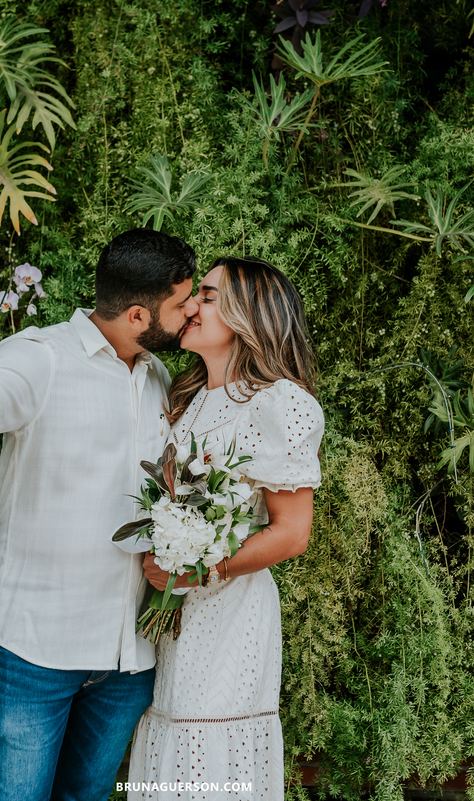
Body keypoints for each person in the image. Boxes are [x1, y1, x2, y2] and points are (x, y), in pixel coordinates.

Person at [0, 228, 198, 801]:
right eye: (183, 302)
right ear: (140, 315)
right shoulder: (39, 358)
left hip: (128, 660)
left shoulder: (158, 378)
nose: (193, 310)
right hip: (33, 653)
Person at [126, 257, 324, 800]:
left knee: (207, 746)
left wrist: (201, 567)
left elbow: (292, 532)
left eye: (208, 296)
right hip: (177, 619)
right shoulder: (185, 401)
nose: (191, 307)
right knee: (171, 731)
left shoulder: (280, 404)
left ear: (249, 315)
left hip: (232, 613)